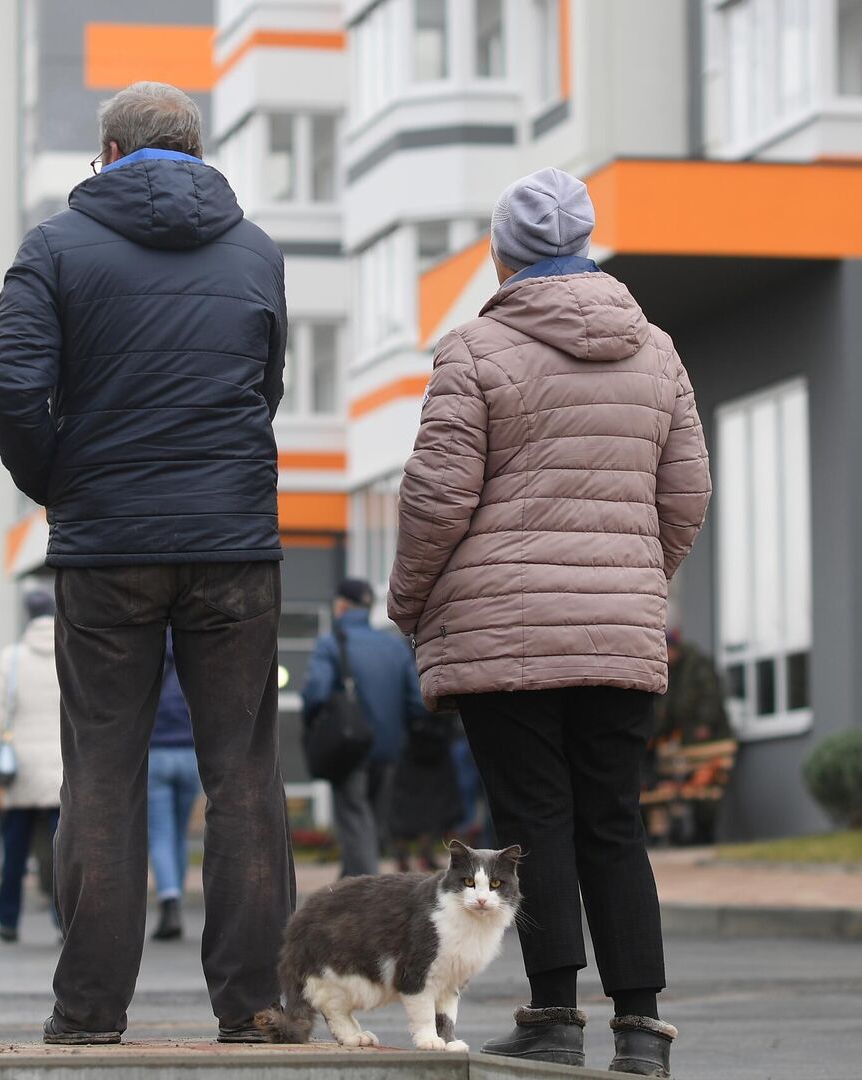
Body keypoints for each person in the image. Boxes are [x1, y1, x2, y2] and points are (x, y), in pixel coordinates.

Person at [0, 81, 295, 1046]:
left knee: (102, 774)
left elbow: (5, 385)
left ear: (108, 152)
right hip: (233, 543)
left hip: (106, 545)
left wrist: (59, 484)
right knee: (241, 772)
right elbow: (265, 382)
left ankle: (87, 1014)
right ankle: (258, 1006)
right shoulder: (256, 250)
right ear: (194, 150)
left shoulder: (55, 248)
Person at [387, 167, 711, 1077]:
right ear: (589, 245)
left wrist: (409, 601)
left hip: (505, 637)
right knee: (615, 820)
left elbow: (438, 500)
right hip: (619, 634)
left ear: (504, 255)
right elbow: (685, 494)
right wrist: (631, 584)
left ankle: (556, 1017)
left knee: (536, 819)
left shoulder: (474, 352)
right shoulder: (658, 351)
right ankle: (642, 1033)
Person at [300, 578, 423, 878]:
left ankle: (367, 894)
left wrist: (315, 723)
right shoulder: (394, 647)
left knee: (356, 821)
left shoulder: (332, 643)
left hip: (349, 747)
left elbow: (315, 692)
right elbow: (417, 701)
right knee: (371, 823)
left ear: (341, 605)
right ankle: (348, 886)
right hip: (389, 749)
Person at [0, 591, 64, 944]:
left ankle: (6, 918)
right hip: (61, 767)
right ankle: (65, 923)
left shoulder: (11, 659)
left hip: (21, 770)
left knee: (13, 851)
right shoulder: (69, 650)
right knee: (64, 852)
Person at [146, 631, 200, 942]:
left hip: (156, 755)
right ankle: (176, 894)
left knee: (161, 833)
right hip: (190, 754)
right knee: (179, 832)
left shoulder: (151, 663)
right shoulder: (192, 662)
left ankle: (169, 901)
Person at [388, 707, 464, 873]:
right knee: (440, 806)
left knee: (404, 806)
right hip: (438, 746)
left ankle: (404, 856)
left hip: (411, 749)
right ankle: (434, 857)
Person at [655, 630, 729, 748]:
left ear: (673, 648)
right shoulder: (672, 671)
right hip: (688, 735)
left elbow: (710, 695)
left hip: (710, 734)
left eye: (665, 651)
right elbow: (668, 705)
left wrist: (705, 723)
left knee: (707, 764)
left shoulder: (696, 664)